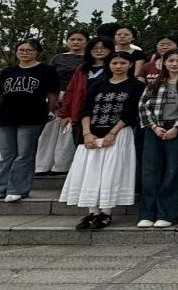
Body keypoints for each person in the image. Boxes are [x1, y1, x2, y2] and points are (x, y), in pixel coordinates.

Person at [59, 51, 145, 229]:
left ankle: (106, 212)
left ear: (130, 65)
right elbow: (86, 110)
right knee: (89, 171)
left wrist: (112, 133)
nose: (118, 66)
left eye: (123, 63)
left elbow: (131, 112)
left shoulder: (136, 85)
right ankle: (93, 211)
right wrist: (86, 133)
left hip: (118, 133)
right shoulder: (98, 85)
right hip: (91, 133)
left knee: (110, 172)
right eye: (115, 63)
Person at [0, 39, 59, 203]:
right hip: (6, 117)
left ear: (37, 52)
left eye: (29, 50)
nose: (25, 52)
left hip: (32, 117)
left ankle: (18, 189)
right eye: (21, 50)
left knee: (24, 155)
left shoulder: (46, 70)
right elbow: (3, 95)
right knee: (6, 155)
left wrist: (48, 111)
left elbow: (53, 94)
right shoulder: (8, 72)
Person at [136, 49, 178, 228]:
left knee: (173, 172)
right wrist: (154, 126)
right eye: (170, 60)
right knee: (150, 172)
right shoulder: (154, 83)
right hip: (154, 129)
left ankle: (167, 214)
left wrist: (176, 128)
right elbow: (143, 106)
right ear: (163, 63)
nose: (174, 64)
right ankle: (147, 214)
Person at [37, 29, 88, 175]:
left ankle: (61, 166)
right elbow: (48, 79)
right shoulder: (57, 58)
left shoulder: (89, 59)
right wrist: (52, 97)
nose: (75, 42)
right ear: (67, 41)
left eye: (80, 39)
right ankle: (42, 165)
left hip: (76, 99)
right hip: (56, 99)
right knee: (48, 134)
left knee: (67, 133)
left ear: (86, 42)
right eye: (72, 39)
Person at [59, 37, 114, 147]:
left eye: (103, 48)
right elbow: (70, 91)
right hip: (80, 113)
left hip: (105, 114)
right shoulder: (82, 69)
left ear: (110, 50)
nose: (99, 51)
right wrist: (65, 114)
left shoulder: (114, 67)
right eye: (95, 48)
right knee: (81, 147)